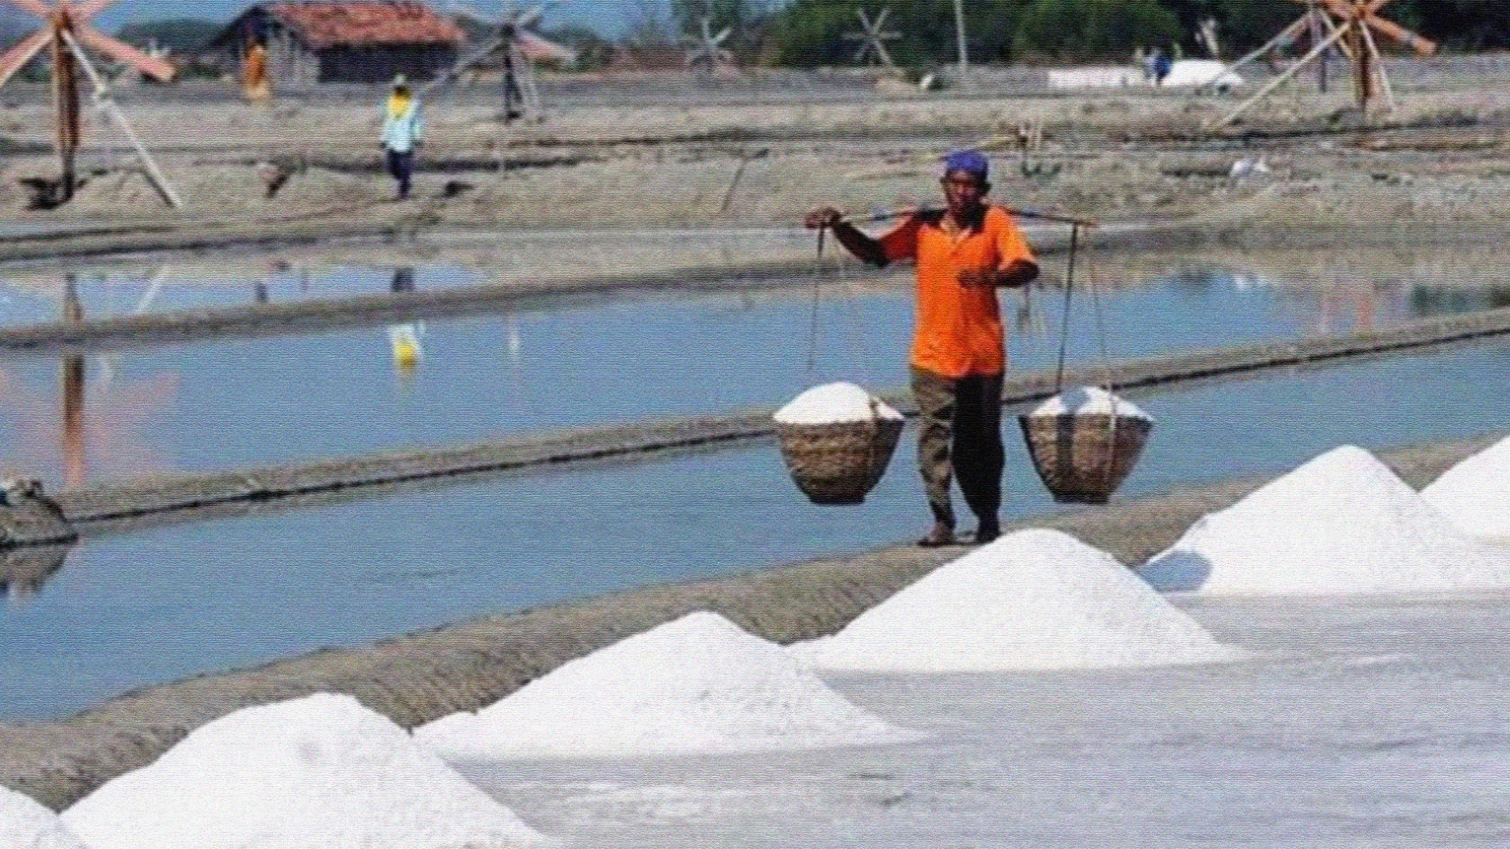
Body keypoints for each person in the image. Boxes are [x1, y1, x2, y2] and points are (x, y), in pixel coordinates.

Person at [804, 150, 1039, 547]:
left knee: (979, 442)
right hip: (932, 357)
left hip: (983, 357)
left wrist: (991, 277)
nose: (963, 193)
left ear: (984, 191)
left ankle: (987, 518)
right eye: (956, 184)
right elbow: (876, 253)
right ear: (944, 187)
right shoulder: (922, 226)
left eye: (972, 186)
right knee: (935, 438)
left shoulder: (995, 222)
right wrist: (839, 227)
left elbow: (1026, 268)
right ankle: (942, 519)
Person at [380, 74, 423, 200]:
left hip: (406, 140)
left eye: (400, 88)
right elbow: (387, 122)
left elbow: (417, 122)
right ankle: (404, 182)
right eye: (396, 88)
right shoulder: (390, 103)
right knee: (391, 167)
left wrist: (417, 137)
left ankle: (403, 190)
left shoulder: (414, 104)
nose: (398, 90)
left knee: (404, 167)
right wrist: (383, 138)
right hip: (392, 141)